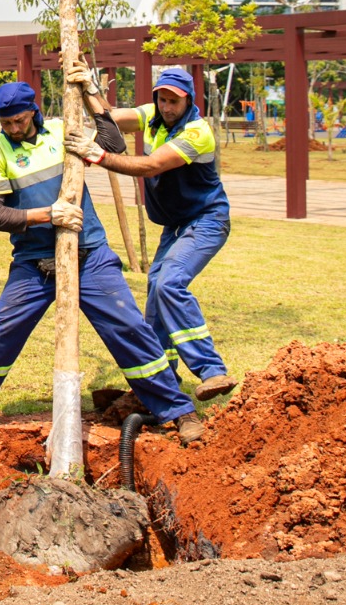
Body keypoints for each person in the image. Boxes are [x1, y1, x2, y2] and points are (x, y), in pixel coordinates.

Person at [0, 81, 202, 444]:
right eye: (6, 123)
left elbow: (114, 145)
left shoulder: (65, 130)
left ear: (33, 110)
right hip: (34, 261)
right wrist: (48, 214)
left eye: (18, 120)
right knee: (0, 332)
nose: (13, 129)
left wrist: (91, 97)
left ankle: (178, 411)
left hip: (90, 252)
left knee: (129, 328)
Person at [66, 62, 236, 402]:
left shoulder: (197, 132)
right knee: (156, 292)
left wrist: (96, 155)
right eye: (162, 100)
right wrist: (90, 87)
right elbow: (111, 119)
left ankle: (212, 370)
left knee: (169, 282)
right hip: (175, 226)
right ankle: (163, 375)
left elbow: (150, 166)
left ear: (188, 101)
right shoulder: (153, 115)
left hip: (206, 220)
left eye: (174, 101)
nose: (167, 107)